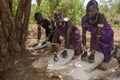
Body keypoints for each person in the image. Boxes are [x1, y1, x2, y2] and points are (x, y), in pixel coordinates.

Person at [81, 0, 114, 69]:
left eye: (91, 11)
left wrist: (93, 53)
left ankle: (113, 51)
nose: (88, 13)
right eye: (87, 11)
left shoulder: (100, 16)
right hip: (95, 35)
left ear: (97, 10)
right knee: (93, 53)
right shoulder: (84, 18)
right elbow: (83, 34)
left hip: (106, 34)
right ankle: (97, 55)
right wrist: (84, 49)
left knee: (105, 57)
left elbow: (98, 35)